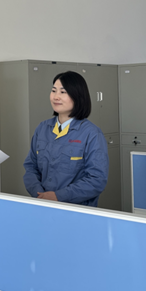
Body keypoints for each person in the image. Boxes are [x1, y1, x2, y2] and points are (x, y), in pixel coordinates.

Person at [23, 71, 109, 207]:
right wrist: (39, 193)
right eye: (53, 91)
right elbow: (31, 167)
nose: (56, 97)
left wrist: (58, 196)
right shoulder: (42, 128)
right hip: (43, 204)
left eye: (63, 92)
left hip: (76, 210)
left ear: (78, 96)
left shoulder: (91, 133)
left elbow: (96, 180)